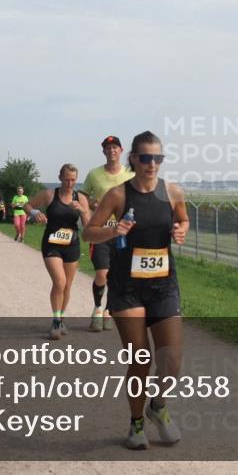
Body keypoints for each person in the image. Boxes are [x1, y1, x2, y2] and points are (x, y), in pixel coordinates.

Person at [84, 131, 188, 450]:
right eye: (145, 158)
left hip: (163, 285)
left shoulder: (172, 192)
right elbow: (88, 232)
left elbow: (183, 220)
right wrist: (114, 229)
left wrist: (180, 230)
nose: (151, 164)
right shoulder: (118, 195)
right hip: (127, 287)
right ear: (133, 159)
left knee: (171, 359)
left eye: (158, 158)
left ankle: (157, 407)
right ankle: (136, 423)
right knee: (140, 358)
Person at [25, 165, 91, 339]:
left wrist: (83, 211)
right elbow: (27, 205)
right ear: (60, 178)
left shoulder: (81, 198)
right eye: (67, 179)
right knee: (60, 282)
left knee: (67, 285)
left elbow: (88, 225)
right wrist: (35, 212)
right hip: (52, 244)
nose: (70, 183)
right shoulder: (49, 194)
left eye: (73, 180)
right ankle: (55, 322)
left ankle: (61, 319)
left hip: (72, 244)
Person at [80, 136, 135, 332]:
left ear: (121, 150)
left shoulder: (130, 174)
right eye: (107, 148)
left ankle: (109, 311)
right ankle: (97, 307)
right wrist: (87, 212)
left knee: (117, 275)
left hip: (123, 232)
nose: (111, 150)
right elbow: (83, 195)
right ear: (103, 151)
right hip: (101, 231)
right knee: (102, 273)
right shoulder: (94, 174)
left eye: (114, 147)